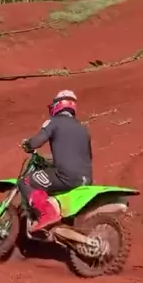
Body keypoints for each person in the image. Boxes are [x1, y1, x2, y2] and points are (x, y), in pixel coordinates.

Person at [20, 89, 93, 232]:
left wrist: (28, 144)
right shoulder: (83, 129)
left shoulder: (54, 122)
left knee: (25, 181)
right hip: (86, 179)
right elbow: (87, 157)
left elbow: (37, 142)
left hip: (66, 176)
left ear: (58, 105)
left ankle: (47, 213)